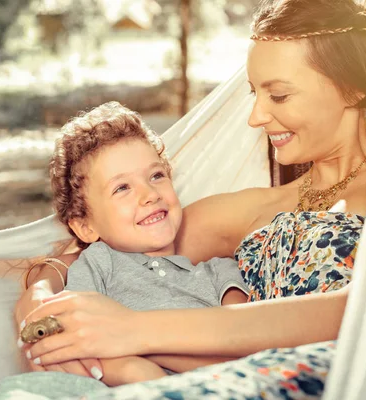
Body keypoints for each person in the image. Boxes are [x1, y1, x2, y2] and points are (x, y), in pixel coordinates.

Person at [0, 0, 366, 398]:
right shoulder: (250, 210)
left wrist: (132, 331)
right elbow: (94, 250)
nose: (255, 117)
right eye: (255, 93)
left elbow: (364, 310)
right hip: (239, 379)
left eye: (279, 95)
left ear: (353, 88)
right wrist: (39, 303)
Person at [19, 101, 249, 386]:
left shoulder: (220, 273)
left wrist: (146, 359)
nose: (150, 194)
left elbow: (247, 353)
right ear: (86, 227)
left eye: (156, 175)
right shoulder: (99, 264)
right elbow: (77, 343)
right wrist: (136, 372)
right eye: (122, 188)